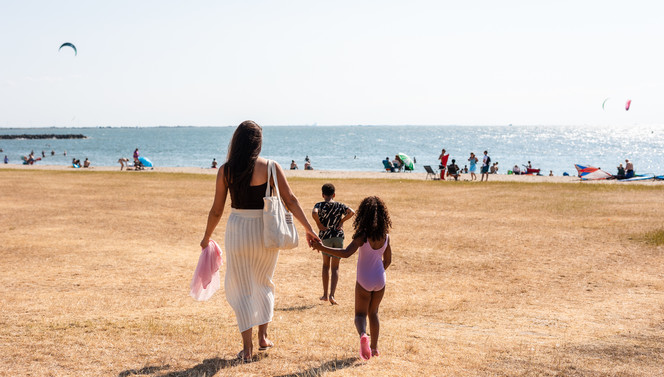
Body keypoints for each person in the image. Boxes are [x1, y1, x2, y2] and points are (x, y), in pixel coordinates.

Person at [200, 120, 320, 363]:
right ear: (257, 143)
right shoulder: (271, 167)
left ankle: (247, 348)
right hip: (266, 231)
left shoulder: (226, 170)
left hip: (238, 230)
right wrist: (308, 229)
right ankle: (263, 337)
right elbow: (291, 200)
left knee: (240, 288)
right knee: (263, 282)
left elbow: (216, 210)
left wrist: (206, 237)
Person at [312, 196, 392, 361]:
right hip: (380, 280)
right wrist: (379, 272)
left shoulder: (363, 235)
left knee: (360, 315)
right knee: (374, 313)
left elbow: (346, 253)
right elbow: (388, 260)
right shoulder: (385, 235)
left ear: (363, 214)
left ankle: (363, 334)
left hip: (364, 280)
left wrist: (322, 247)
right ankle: (375, 348)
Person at [312, 183, 356, 305]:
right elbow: (352, 212)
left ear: (322, 194)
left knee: (326, 265)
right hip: (338, 237)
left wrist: (319, 225)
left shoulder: (319, 205)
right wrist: (341, 221)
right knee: (335, 267)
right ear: (334, 194)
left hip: (325, 237)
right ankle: (332, 295)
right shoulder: (339, 205)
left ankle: (325, 295)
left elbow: (314, 213)